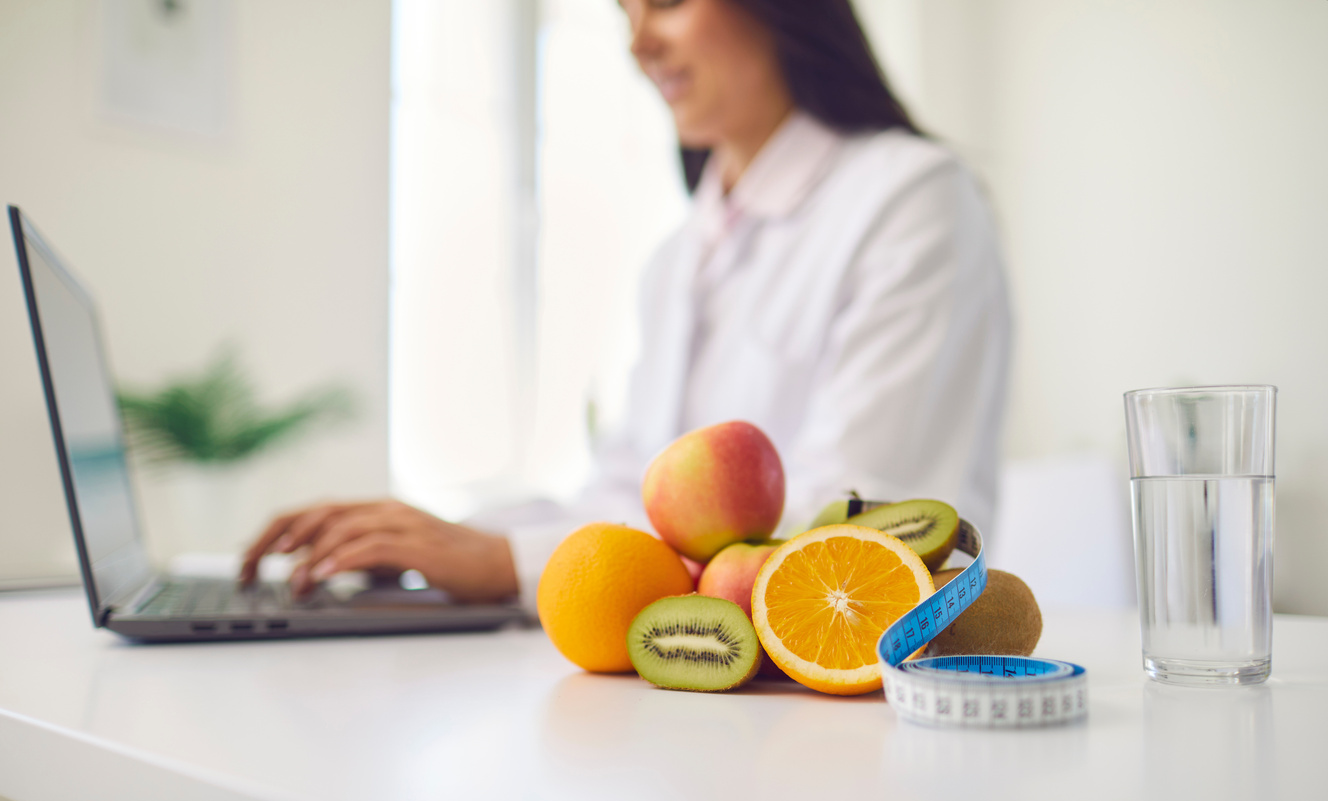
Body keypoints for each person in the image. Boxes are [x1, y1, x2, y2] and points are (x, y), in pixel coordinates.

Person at [240, 0, 1011, 614]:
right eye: (624, 11)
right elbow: (622, 495)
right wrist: (432, 536)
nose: (638, 43)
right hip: (701, 692)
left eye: (667, 3)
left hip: (852, 683)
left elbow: (862, 516)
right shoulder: (680, 255)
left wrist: (506, 563)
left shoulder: (912, 198)